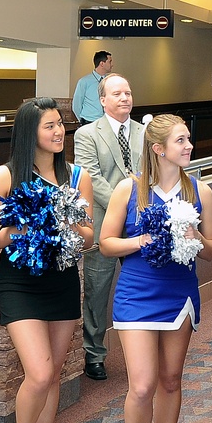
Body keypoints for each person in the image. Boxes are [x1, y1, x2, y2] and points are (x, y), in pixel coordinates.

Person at [0, 97, 94, 423]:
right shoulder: (5, 177)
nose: (59, 131)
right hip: (19, 281)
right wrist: (21, 230)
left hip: (61, 279)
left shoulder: (78, 177)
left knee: (54, 374)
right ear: (30, 132)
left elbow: (90, 237)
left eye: (61, 124)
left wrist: (67, 224)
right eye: (49, 125)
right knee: (39, 372)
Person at [99, 114, 212, 423]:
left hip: (178, 294)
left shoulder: (201, 191)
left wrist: (195, 235)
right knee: (142, 384)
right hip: (136, 293)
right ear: (158, 149)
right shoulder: (128, 189)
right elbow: (105, 242)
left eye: (188, 139)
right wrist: (143, 241)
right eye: (181, 141)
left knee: (170, 380)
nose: (189, 146)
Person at [73, 73, 144, 381]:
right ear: (102, 100)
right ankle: (94, 353)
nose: (124, 98)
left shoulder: (147, 132)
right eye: (117, 94)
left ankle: (143, 351)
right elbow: (90, 178)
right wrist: (126, 204)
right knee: (97, 291)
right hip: (103, 224)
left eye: (127, 92)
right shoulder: (87, 134)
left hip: (142, 223)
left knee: (142, 286)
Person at [72, 50, 112, 124]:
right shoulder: (84, 81)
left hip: (106, 121)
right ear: (102, 64)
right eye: (110, 61)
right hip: (89, 121)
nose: (112, 65)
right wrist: (82, 120)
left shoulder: (110, 81)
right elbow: (76, 105)